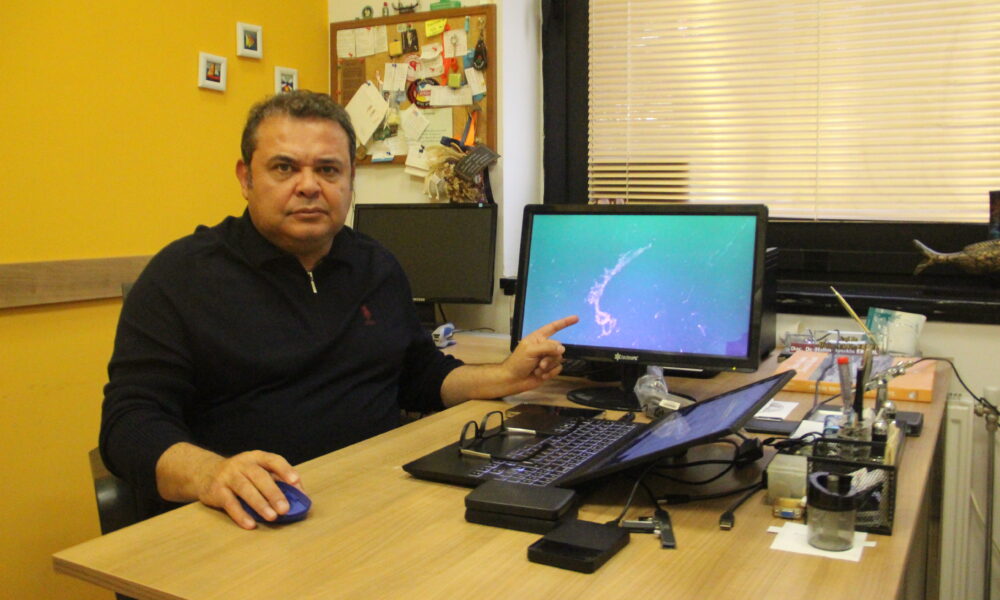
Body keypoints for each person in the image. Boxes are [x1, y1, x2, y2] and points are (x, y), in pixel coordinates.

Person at [100, 90, 578, 529]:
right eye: (284, 168)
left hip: (378, 503)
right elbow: (129, 424)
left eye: (328, 170)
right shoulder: (182, 276)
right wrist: (210, 473)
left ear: (351, 181)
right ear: (246, 178)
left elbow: (419, 376)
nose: (309, 186)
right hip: (251, 519)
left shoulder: (375, 266)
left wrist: (505, 376)